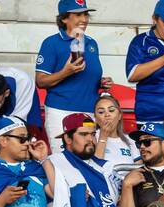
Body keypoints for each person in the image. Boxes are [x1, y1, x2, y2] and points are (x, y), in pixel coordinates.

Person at [36, 0, 110, 145]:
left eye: (85, 14)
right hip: (61, 111)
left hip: (89, 112)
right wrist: (65, 72)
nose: (84, 19)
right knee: (63, 160)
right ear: (64, 18)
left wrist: (101, 82)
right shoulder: (51, 43)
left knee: (88, 157)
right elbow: (40, 81)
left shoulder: (91, 43)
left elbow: (87, 77)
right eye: (77, 15)